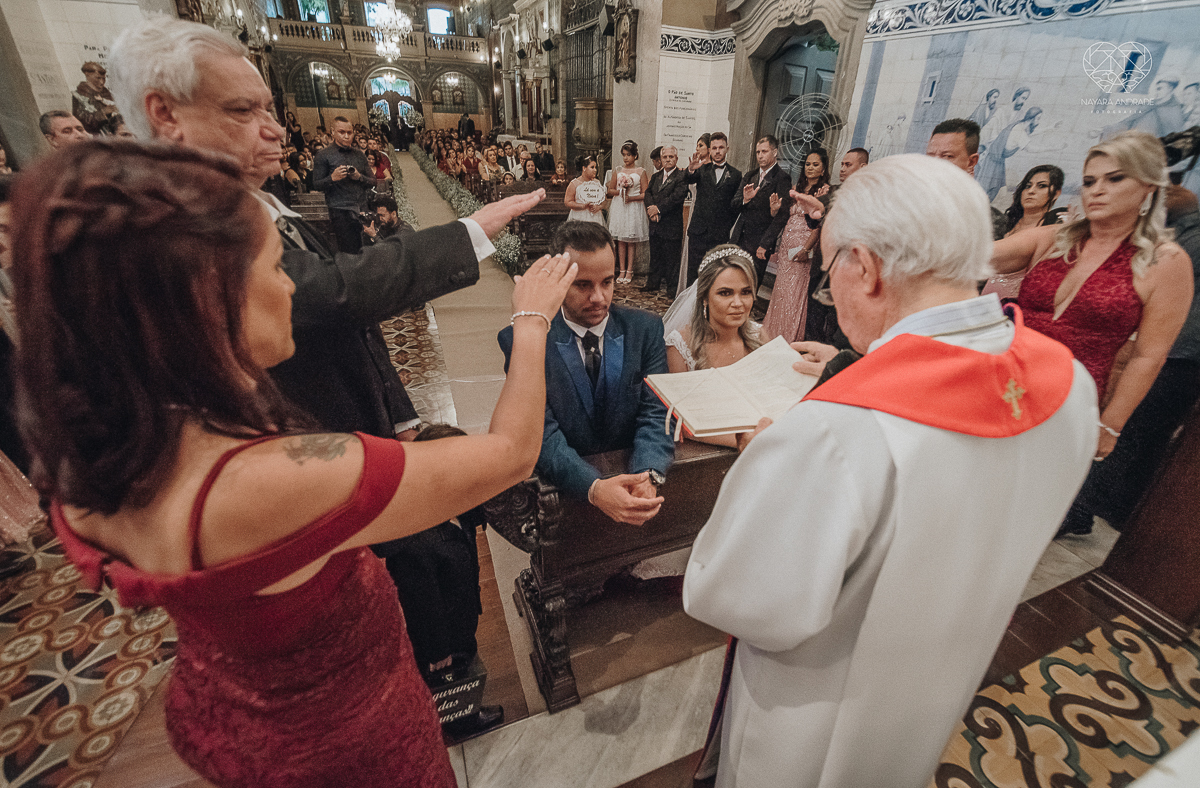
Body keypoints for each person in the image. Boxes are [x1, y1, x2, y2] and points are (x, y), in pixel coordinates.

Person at [16, 141, 576, 787]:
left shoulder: (91, 449)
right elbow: (509, 456)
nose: (292, 286)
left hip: (221, 708)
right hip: (340, 743)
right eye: (279, 264)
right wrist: (531, 321)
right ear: (207, 297)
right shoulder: (271, 481)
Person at [683, 154, 1099, 788]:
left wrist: (767, 470)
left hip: (814, 721)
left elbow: (736, 598)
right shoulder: (1068, 382)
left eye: (828, 274)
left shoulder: (828, 436)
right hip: (949, 673)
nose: (830, 291)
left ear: (866, 268)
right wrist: (856, 361)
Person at [109, 18, 544, 449]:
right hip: (306, 446)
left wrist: (398, 413)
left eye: (269, 109)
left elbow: (352, 323)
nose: (275, 130)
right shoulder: (182, 230)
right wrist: (482, 254)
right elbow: (335, 291)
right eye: (243, 110)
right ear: (165, 114)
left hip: (354, 429)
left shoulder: (255, 203)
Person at [992, 131, 1193, 535]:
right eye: (1089, 181)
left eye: (1114, 179)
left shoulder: (1166, 262)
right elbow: (973, 254)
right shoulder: (1054, 238)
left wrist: (1111, 424)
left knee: (1022, 515)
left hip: (1070, 401)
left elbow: (1147, 356)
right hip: (1003, 383)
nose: (1097, 191)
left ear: (1149, 188)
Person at [497, 221, 674, 526]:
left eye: (607, 282)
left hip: (633, 477)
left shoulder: (644, 329)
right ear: (558, 281)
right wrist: (592, 488)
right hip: (567, 492)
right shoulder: (524, 340)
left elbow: (657, 412)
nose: (599, 297)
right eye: (583, 285)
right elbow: (540, 430)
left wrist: (648, 473)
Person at [1062, 183, 1200, 533]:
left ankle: (1079, 511)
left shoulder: (1183, 245)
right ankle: (1115, 510)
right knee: (1146, 439)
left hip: (1179, 354)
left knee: (1124, 433)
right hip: (1183, 356)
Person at [661, 245, 764, 442]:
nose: (738, 303)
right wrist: (745, 441)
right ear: (704, 298)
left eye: (745, 292)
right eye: (725, 293)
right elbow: (680, 425)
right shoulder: (680, 346)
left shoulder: (759, 336)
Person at [762, 148, 830, 343]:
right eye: (808, 164)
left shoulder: (824, 191)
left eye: (815, 164)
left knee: (794, 293)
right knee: (781, 290)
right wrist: (775, 211)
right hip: (786, 247)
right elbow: (785, 216)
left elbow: (817, 225)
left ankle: (789, 336)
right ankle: (774, 331)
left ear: (823, 169)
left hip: (803, 247)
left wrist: (807, 249)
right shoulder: (797, 188)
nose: (810, 168)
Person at [981, 165, 1066, 300]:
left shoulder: (1052, 230)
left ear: (1056, 192)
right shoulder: (1004, 223)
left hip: (1019, 304)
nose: (1031, 191)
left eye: (1041, 186)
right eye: (1027, 186)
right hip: (985, 296)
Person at [926, 118, 1007, 240]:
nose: (935, 163)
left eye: (947, 156)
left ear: (971, 162)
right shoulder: (907, 202)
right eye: (931, 156)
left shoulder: (986, 220)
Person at [731, 135, 792, 285]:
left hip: (759, 242)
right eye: (758, 152)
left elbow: (782, 216)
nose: (760, 155)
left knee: (750, 283)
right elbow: (734, 204)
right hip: (739, 238)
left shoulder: (782, 178)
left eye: (764, 151)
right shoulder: (750, 175)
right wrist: (745, 200)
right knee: (733, 279)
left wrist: (765, 244)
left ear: (775, 152)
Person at [684, 132, 742, 287]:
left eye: (721, 147)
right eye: (714, 148)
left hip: (719, 234)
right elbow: (688, 179)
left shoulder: (736, 175)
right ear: (709, 150)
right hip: (698, 231)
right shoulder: (702, 170)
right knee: (694, 275)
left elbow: (735, 205)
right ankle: (692, 308)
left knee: (715, 275)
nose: (717, 151)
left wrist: (727, 226)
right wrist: (690, 170)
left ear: (727, 148)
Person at [313, 116, 376, 254]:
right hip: (340, 210)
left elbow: (373, 182)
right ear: (333, 132)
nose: (347, 136)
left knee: (368, 249)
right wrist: (332, 178)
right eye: (342, 132)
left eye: (349, 132)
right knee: (349, 251)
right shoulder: (323, 155)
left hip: (361, 207)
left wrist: (359, 177)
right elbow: (316, 185)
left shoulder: (359, 154)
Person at [642, 145, 689, 295]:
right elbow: (648, 193)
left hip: (671, 224)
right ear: (661, 159)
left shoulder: (682, 177)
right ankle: (652, 283)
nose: (668, 160)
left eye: (671, 157)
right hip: (655, 223)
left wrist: (658, 208)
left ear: (676, 158)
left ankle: (672, 288)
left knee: (672, 258)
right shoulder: (656, 176)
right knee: (655, 255)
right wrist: (651, 209)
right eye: (665, 157)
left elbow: (677, 197)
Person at [607, 140, 650, 284]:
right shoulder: (618, 170)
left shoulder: (641, 171)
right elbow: (610, 190)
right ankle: (622, 270)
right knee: (620, 239)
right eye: (624, 155)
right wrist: (620, 191)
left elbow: (645, 193)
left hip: (633, 207)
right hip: (620, 206)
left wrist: (631, 197)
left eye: (629, 155)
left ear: (635, 156)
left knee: (630, 240)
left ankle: (630, 270)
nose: (626, 158)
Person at [72, 62, 119, 135]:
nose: (102, 82)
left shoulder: (106, 93)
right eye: (98, 78)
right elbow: (80, 121)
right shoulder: (79, 95)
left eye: (103, 79)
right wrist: (103, 112)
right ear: (88, 75)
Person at [565, 155, 606, 225]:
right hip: (579, 217)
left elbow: (604, 200)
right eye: (592, 167)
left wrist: (598, 207)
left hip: (595, 217)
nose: (595, 170)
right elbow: (567, 202)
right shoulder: (574, 184)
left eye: (595, 167)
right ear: (584, 168)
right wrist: (582, 206)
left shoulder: (597, 183)